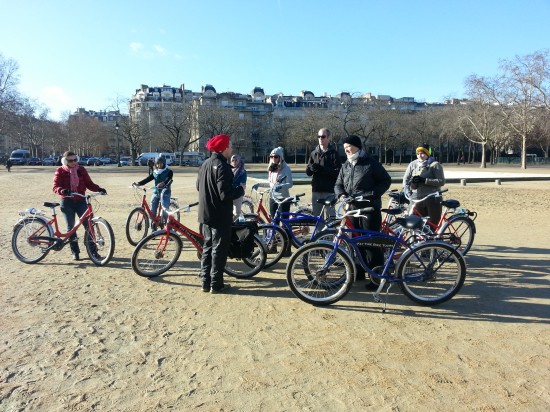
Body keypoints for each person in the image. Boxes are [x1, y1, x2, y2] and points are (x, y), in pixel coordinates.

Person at [334, 135, 392, 277]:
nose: (347, 149)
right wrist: (341, 194)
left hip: (369, 208)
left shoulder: (370, 163)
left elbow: (386, 180)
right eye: (345, 147)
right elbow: (338, 184)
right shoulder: (346, 165)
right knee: (355, 241)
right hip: (352, 209)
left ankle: (376, 275)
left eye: (349, 147)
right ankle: (359, 270)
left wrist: (372, 194)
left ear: (358, 147)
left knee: (371, 242)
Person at [197, 134, 244, 294]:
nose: (231, 149)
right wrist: (240, 190)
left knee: (207, 247)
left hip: (205, 214)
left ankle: (205, 282)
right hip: (219, 215)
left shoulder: (205, 164)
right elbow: (225, 194)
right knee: (219, 249)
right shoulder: (223, 167)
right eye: (230, 146)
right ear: (223, 149)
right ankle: (216, 284)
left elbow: (199, 186)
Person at [52, 151, 107, 261]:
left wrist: (98, 189)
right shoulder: (60, 171)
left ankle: (93, 251)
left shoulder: (81, 170)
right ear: (65, 161)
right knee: (71, 228)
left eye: (75, 160)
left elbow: (89, 184)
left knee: (89, 226)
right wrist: (62, 190)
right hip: (67, 202)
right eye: (70, 160)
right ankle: (75, 252)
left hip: (81, 200)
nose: (73, 162)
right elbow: (55, 186)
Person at [403, 143, 445, 226]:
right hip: (416, 198)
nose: (420, 156)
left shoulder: (435, 165)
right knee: (414, 223)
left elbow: (441, 181)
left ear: (427, 154)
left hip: (432, 198)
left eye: (422, 153)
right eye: (418, 154)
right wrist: (408, 191)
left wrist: (425, 180)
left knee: (432, 223)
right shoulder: (413, 164)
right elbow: (405, 179)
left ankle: (434, 238)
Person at [305, 128, 342, 219]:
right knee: (317, 218)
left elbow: (338, 173)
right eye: (319, 136)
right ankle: (319, 233)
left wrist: (323, 169)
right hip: (316, 190)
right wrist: (311, 169)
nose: (320, 138)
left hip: (329, 191)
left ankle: (330, 233)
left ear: (329, 138)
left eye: (323, 136)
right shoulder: (314, 153)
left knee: (330, 218)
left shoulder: (334, 153)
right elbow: (308, 172)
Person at [133, 155, 173, 228]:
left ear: (164, 163)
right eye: (157, 164)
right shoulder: (155, 172)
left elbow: (168, 179)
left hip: (165, 193)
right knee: (152, 211)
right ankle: (153, 229)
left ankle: (169, 230)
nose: (159, 165)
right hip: (156, 192)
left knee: (165, 210)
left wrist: (163, 183)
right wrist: (138, 183)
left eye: (160, 163)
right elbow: (148, 179)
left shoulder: (169, 171)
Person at [230, 154, 247, 219]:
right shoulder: (230, 170)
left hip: (238, 194)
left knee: (237, 213)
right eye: (233, 160)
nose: (234, 162)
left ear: (239, 161)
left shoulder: (242, 172)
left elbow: (242, 184)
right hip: (230, 193)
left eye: (236, 160)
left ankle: (236, 227)